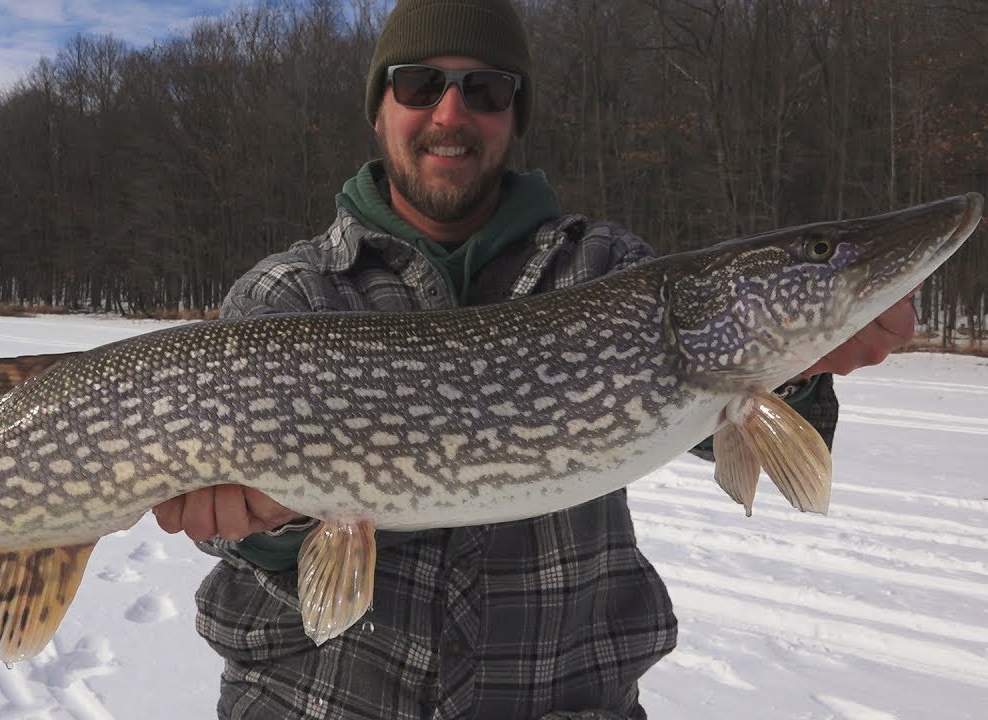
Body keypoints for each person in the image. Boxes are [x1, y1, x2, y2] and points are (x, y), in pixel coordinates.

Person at [152, 0, 918, 716]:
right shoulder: (290, 295)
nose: (450, 114)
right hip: (316, 699)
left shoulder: (608, 270)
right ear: (380, 111)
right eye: (419, 85)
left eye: (485, 90)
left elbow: (731, 425)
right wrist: (263, 525)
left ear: (514, 116)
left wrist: (807, 365)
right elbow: (237, 533)